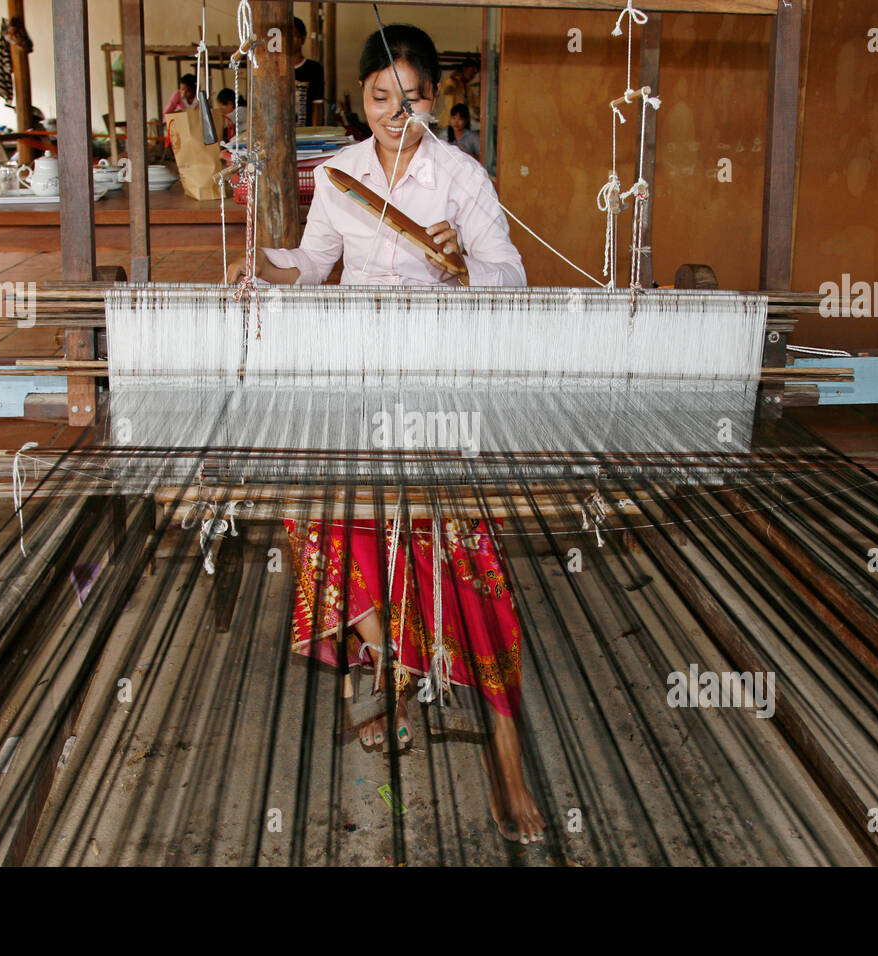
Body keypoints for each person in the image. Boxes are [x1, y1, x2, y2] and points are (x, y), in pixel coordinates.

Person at [227, 24, 543, 846]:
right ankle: (393, 664)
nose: (395, 115)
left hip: (441, 376)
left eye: (410, 100)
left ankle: (506, 744)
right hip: (362, 369)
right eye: (379, 99)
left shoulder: (460, 177)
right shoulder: (341, 176)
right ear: (359, 101)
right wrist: (266, 266)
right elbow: (311, 263)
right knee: (319, 507)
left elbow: (511, 275)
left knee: (463, 537)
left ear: (432, 102)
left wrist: (461, 266)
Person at [292, 17, 325, 124]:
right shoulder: (276, 70)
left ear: (303, 38)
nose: (289, 40)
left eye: (294, 35)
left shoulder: (314, 69)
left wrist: (315, 135)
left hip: (306, 134)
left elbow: (317, 105)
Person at [436, 57, 479, 127]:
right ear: (464, 69)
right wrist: (452, 79)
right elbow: (445, 90)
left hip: (461, 124)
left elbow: (475, 103)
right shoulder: (454, 82)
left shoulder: (468, 88)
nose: (472, 75)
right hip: (449, 123)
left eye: (474, 73)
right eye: (471, 71)